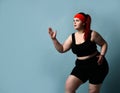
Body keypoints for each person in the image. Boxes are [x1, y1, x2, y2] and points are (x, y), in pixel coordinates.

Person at [48, 12, 109, 93]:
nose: (74, 22)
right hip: (81, 66)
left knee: (93, 91)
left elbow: (104, 44)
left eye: (77, 20)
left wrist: (102, 55)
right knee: (69, 88)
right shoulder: (72, 37)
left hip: (97, 65)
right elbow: (62, 49)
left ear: (83, 23)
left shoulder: (92, 34)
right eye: (73, 21)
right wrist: (54, 39)